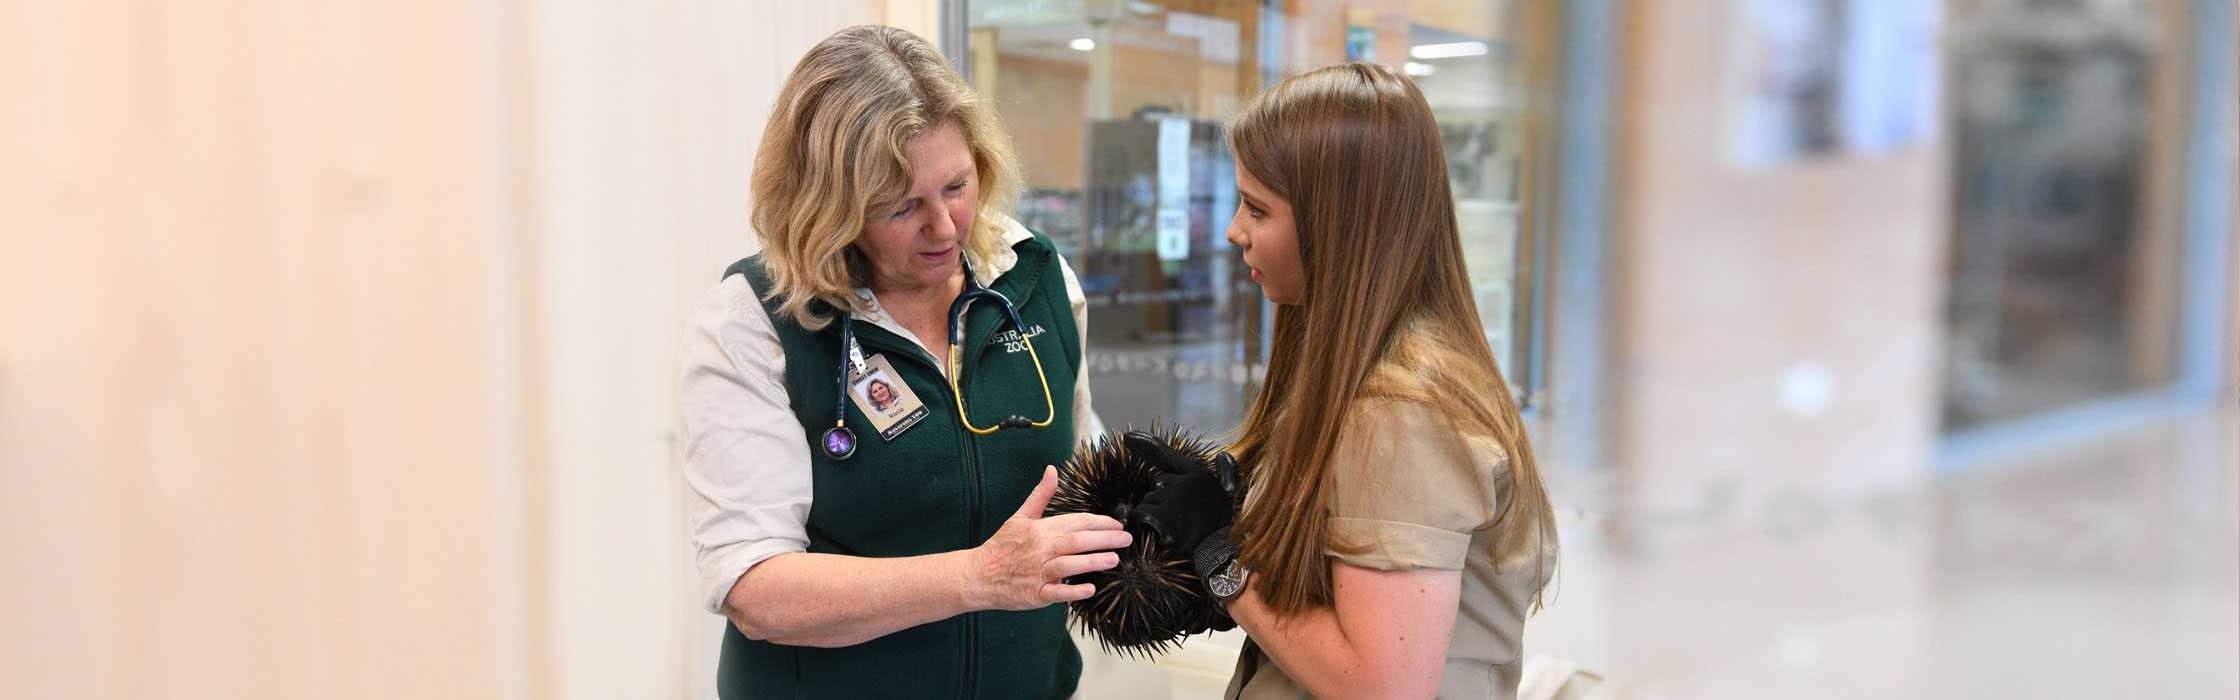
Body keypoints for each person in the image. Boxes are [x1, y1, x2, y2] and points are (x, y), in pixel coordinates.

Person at [677, 25, 1120, 699]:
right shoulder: (753, 325)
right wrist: (978, 577)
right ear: (829, 207)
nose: (944, 227)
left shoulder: (1034, 281)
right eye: (901, 206)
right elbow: (756, 588)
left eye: (957, 186)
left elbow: (1079, 472)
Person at [1124, 62, 1560, 700]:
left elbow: (1381, 685)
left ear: (1339, 225)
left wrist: (1220, 556)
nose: (1234, 231)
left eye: (1256, 208)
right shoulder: (1373, 382)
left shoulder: (1400, 414)